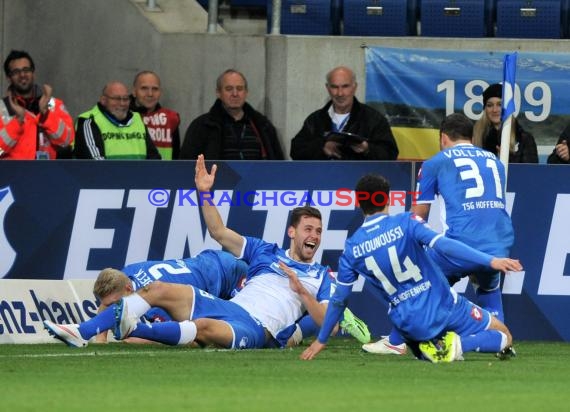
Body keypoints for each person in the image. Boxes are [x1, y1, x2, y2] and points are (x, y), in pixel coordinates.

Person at [45, 167, 370, 348]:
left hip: (258, 328)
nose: (314, 236)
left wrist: (300, 290)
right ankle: (82, 332)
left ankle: (129, 327)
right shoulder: (264, 251)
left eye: (318, 230)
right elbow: (219, 232)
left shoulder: (322, 278)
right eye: (308, 229)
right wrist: (203, 193)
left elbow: (327, 319)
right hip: (232, 306)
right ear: (292, 232)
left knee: (200, 328)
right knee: (157, 288)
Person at [300, 173, 523, 363]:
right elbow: (444, 244)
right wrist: (490, 261)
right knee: (503, 334)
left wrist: (321, 339)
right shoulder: (406, 222)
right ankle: (457, 346)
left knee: (423, 335)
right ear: (386, 200)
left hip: (408, 326)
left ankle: (425, 346)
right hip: (444, 307)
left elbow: (339, 299)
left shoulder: (352, 248)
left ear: (358, 203)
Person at [366, 113, 516, 356]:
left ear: (443, 137)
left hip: (462, 245)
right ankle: (502, 341)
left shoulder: (436, 162)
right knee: (487, 287)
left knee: (416, 279)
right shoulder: (495, 162)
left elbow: (419, 214)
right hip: (499, 244)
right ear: (470, 136)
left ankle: (395, 342)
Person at [290, 66, 398, 160]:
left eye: (345, 86)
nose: (340, 93)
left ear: (354, 87)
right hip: (322, 180)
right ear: (327, 88)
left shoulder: (374, 119)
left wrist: (367, 149)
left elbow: (390, 154)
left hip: (358, 180)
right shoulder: (315, 119)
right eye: (334, 87)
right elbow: (296, 151)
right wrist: (322, 147)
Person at [179, 69, 284, 160]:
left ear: (246, 92)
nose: (235, 94)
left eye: (239, 89)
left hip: (257, 182)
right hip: (218, 182)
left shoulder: (263, 125)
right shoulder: (202, 126)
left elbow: (278, 164)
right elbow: (186, 165)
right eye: (229, 89)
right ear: (218, 93)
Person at [0, 49, 74, 159]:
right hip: (12, 175)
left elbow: (67, 141)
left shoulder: (53, 104)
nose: (22, 75)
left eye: (26, 70)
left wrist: (46, 115)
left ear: (33, 73)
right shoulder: (2, 108)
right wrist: (17, 122)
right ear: (8, 78)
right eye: (16, 72)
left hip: (46, 174)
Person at [73, 81, 161, 159]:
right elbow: (95, 162)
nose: (122, 103)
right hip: (103, 177)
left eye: (125, 99)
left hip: (140, 177)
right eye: (116, 99)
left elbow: (154, 158)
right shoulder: (89, 120)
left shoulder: (137, 118)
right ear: (103, 100)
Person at [472, 83, 538, 163]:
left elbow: (531, 173)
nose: (495, 110)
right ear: (485, 109)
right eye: (490, 105)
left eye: (500, 104)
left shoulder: (524, 139)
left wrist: (507, 159)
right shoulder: (474, 136)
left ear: (508, 108)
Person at [130, 71, 181, 160]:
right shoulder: (124, 118)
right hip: (133, 171)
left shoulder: (170, 118)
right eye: (144, 88)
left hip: (163, 172)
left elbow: (176, 156)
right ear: (134, 92)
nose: (150, 94)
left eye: (155, 89)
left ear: (160, 92)